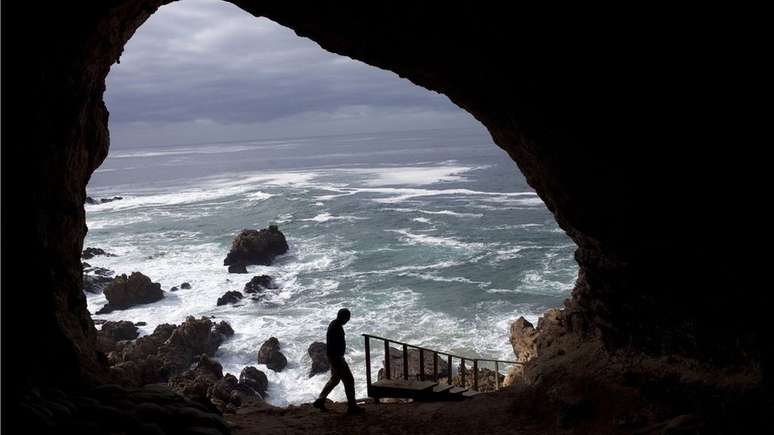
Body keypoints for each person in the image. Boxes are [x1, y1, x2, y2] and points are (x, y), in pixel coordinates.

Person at [313, 308, 365, 415]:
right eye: (348, 318)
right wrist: (338, 358)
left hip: (334, 357)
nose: (348, 320)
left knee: (335, 380)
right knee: (349, 381)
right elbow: (335, 345)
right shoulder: (336, 327)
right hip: (337, 358)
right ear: (344, 317)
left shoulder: (334, 324)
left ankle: (320, 400)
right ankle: (352, 407)